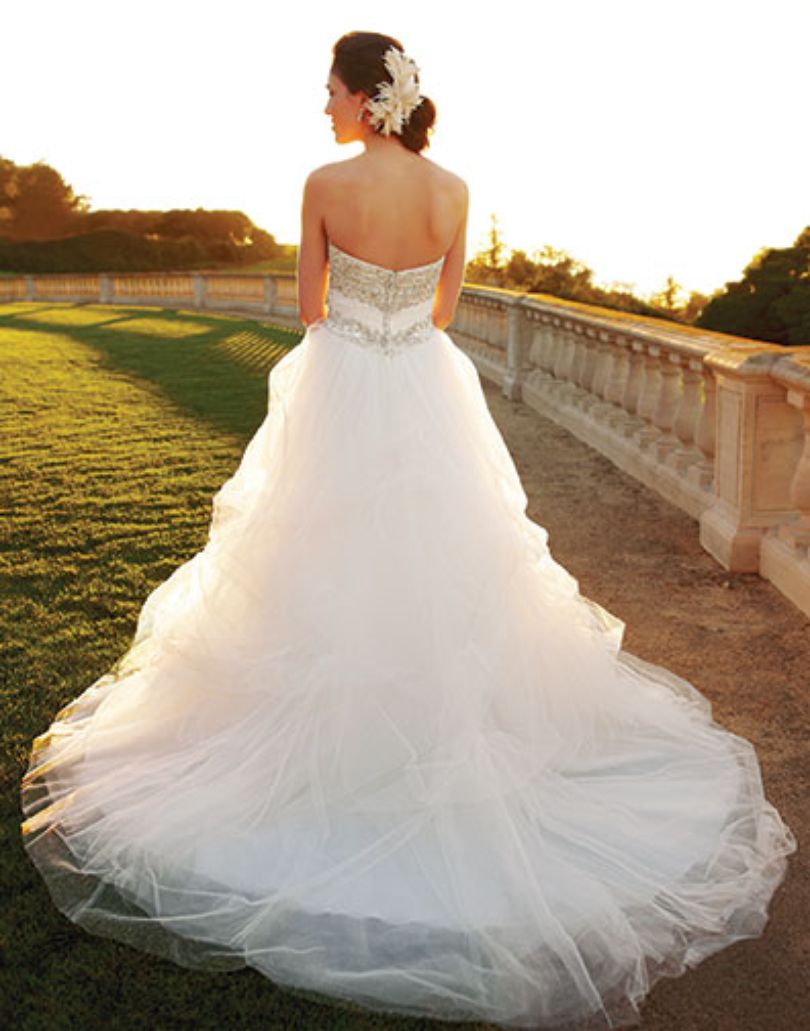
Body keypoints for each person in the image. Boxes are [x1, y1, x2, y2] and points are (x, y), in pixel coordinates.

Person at [20, 30, 796, 1031]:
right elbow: (439, 310)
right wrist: (389, 323)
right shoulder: (456, 187)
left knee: (318, 557)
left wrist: (353, 322)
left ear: (360, 95)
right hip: (425, 385)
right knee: (450, 564)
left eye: (329, 89)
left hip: (343, 382)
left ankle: (339, 753)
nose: (323, 105)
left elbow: (308, 306)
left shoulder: (322, 180)